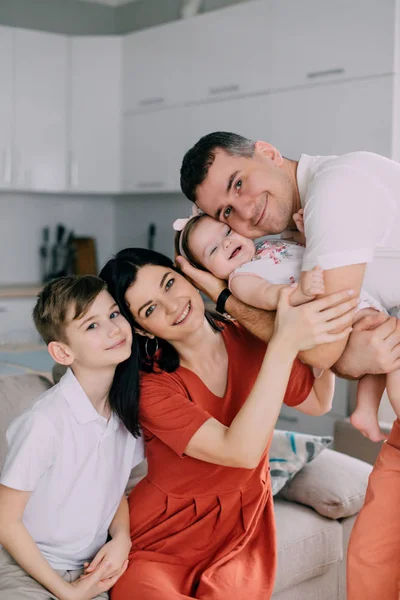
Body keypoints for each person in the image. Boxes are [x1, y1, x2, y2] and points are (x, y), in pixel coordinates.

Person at [179, 131, 400, 598]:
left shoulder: (335, 194)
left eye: (238, 184)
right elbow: (327, 356)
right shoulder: (294, 234)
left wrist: (221, 298)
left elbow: (319, 350)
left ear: (268, 152)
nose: (242, 214)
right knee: (371, 563)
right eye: (225, 213)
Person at [99, 247, 356, 599]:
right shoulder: (151, 384)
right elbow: (241, 452)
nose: (173, 305)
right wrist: (284, 342)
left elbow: (316, 402)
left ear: (189, 277)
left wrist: (320, 328)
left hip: (241, 522)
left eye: (170, 283)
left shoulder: (251, 335)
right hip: (162, 533)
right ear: (142, 330)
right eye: (150, 308)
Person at [173, 211, 399, 442]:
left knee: (385, 356)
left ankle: (366, 409)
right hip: (333, 312)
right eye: (212, 250)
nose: (227, 242)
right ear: (209, 273)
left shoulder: (267, 245)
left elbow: (303, 251)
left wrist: (302, 232)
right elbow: (268, 295)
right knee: (393, 352)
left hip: (353, 298)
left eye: (228, 232)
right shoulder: (241, 279)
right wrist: (299, 292)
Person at [0, 275, 145, 600]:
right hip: (25, 565)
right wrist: (66, 592)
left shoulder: (123, 412)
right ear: (63, 352)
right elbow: (5, 521)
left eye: (112, 314)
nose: (113, 329)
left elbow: (116, 489)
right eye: (91, 326)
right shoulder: (46, 421)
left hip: (89, 566)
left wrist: (122, 538)